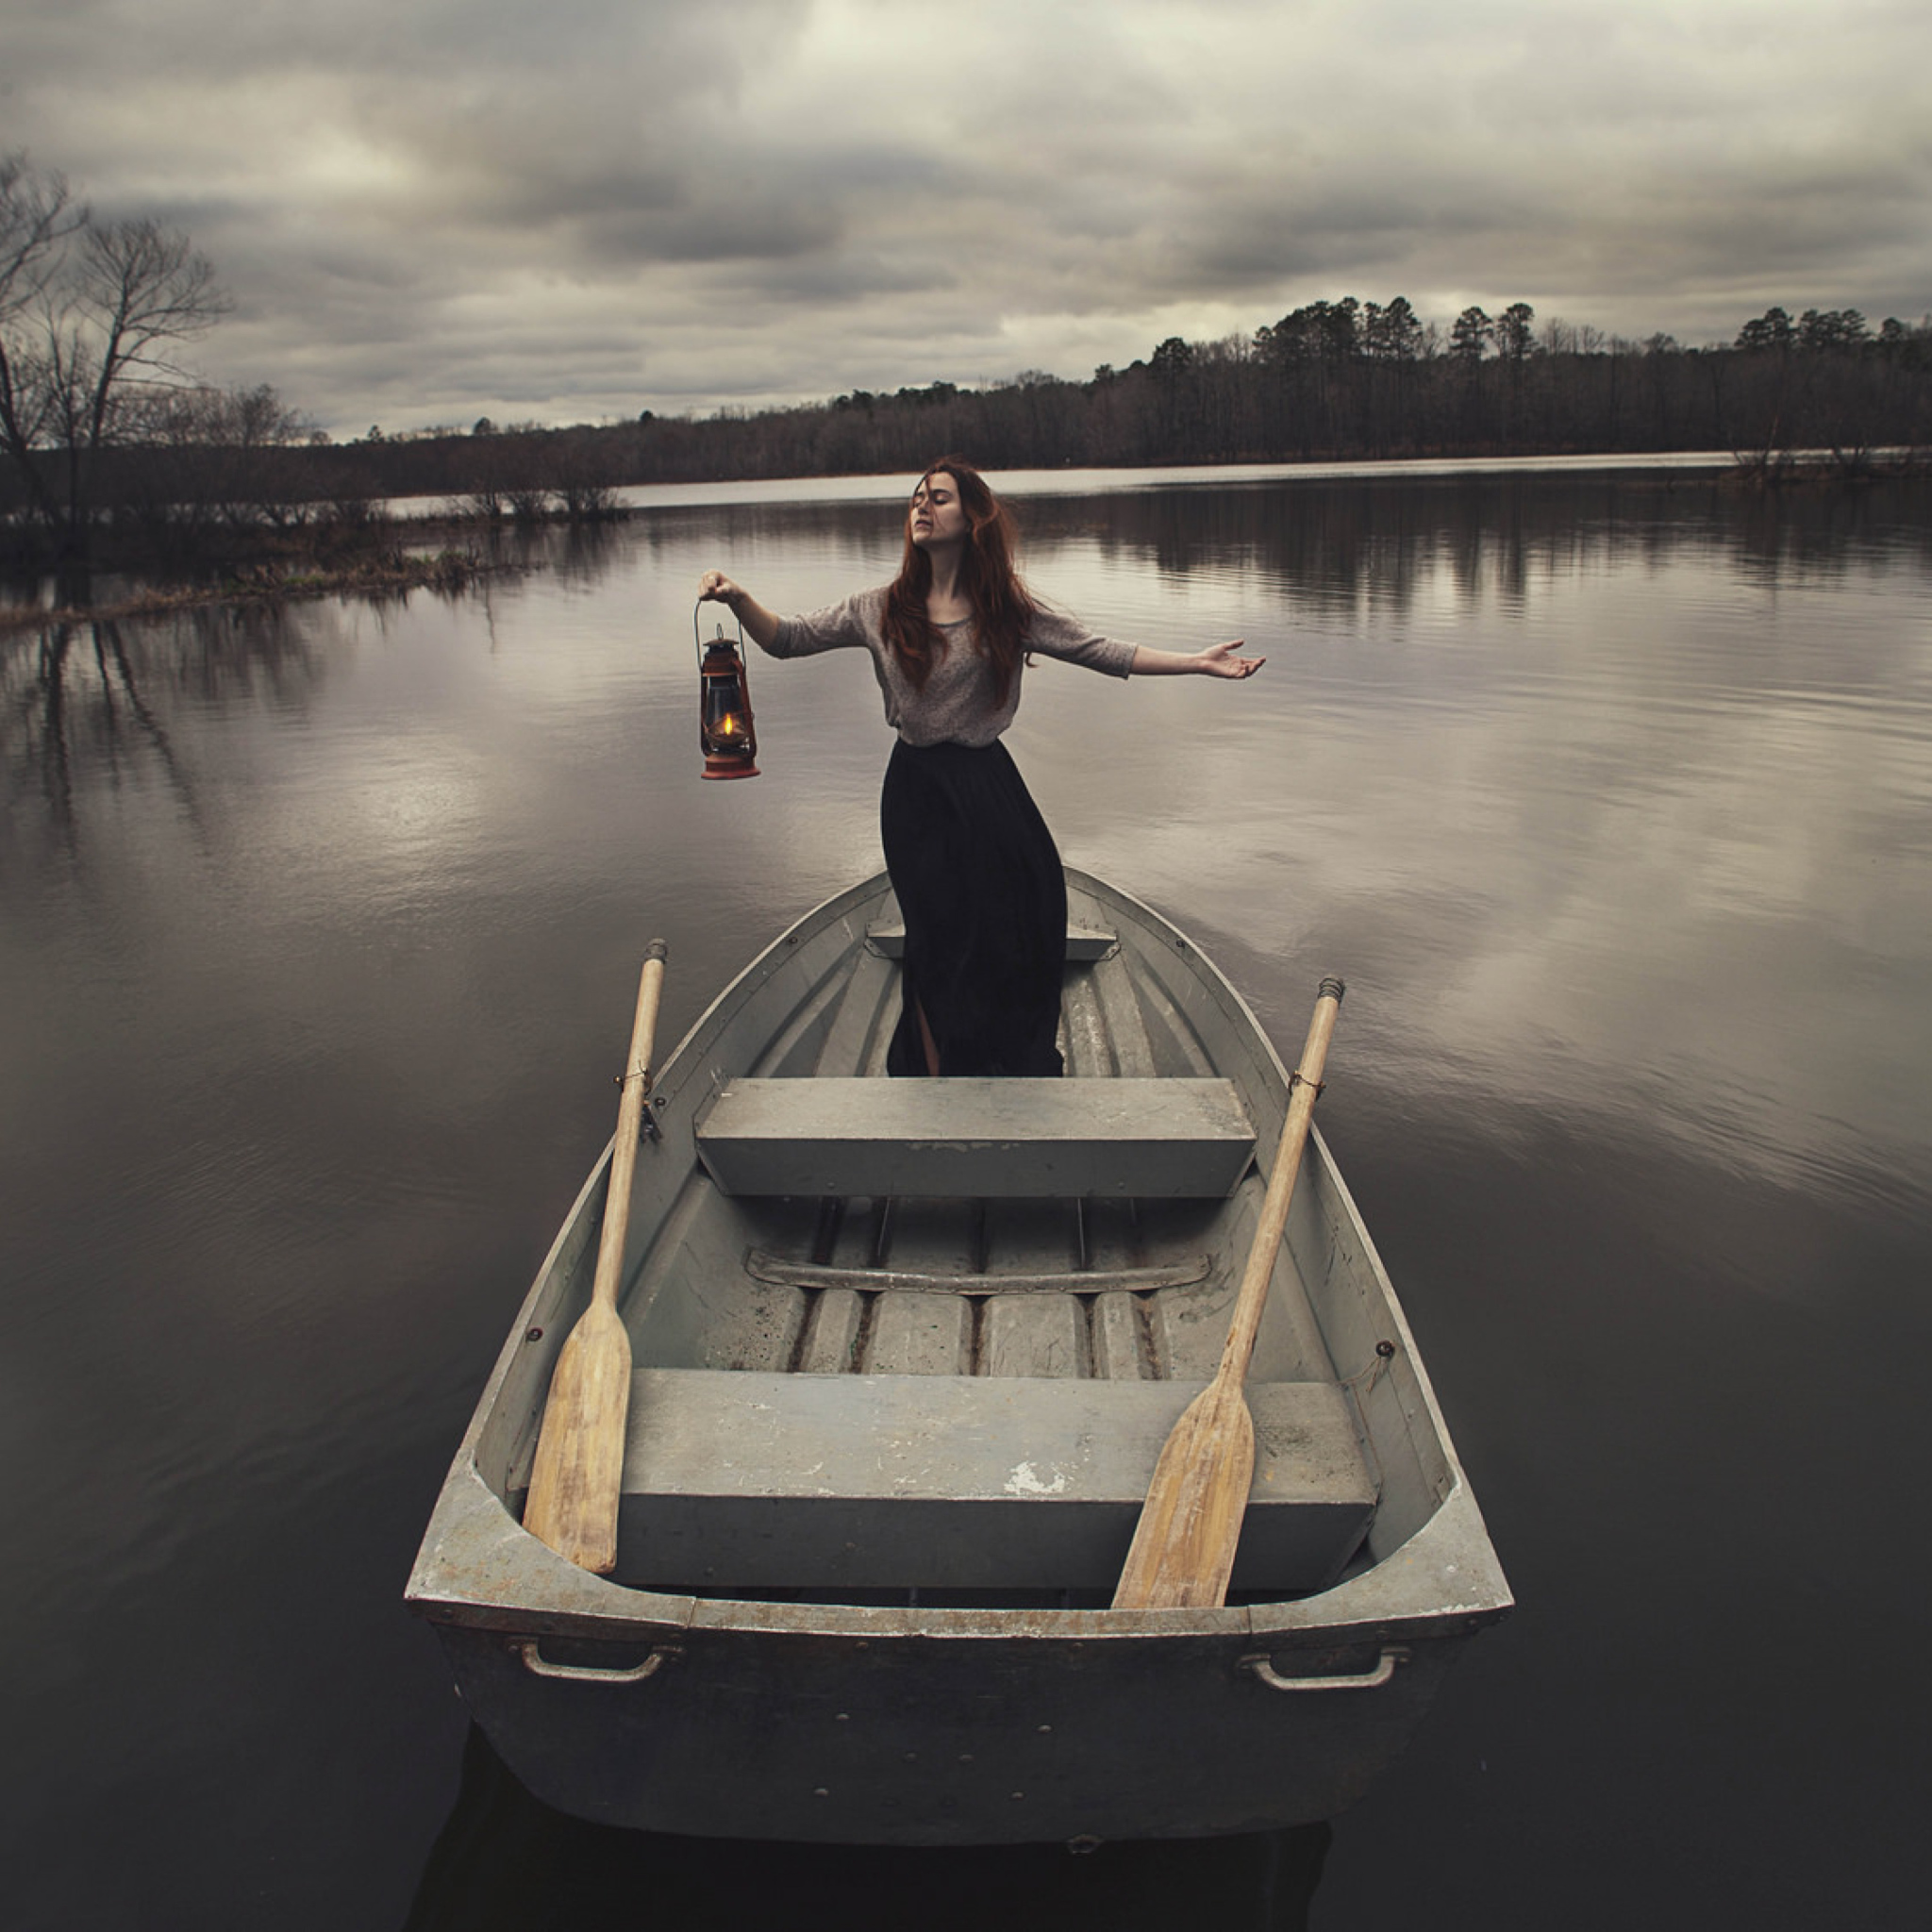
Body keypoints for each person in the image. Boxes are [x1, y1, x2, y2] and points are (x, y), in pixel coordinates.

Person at [697, 458, 1263, 1079]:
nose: (921, 507)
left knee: (1034, 909)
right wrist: (741, 598)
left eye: (938, 498)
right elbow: (787, 639)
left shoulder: (1007, 610)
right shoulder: (878, 607)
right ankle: (937, 1074)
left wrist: (1197, 663)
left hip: (988, 786)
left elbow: (1100, 651)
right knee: (940, 941)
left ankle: (1006, 1058)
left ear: (971, 519)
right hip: (916, 794)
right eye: (916, 497)